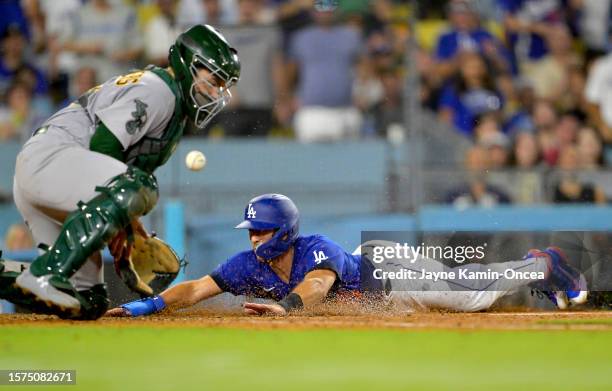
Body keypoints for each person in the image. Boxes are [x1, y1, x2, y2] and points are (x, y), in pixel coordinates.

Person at [0, 24, 241, 320]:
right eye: (214, 79)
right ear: (188, 63)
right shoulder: (158, 89)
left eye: (221, 85)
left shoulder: (174, 115)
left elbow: (112, 184)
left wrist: (126, 230)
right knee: (141, 186)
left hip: (59, 176)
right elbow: (104, 146)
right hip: (51, 160)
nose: (215, 90)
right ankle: (46, 272)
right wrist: (124, 226)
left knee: (87, 301)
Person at [106, 193, 588, 318]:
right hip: (377, 293)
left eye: (261, 230)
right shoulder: (246, 264)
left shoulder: (315, 247)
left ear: (284, 231)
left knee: (470, 298)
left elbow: (315, 286)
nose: (254, 239)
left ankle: (546, 263)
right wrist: (147, 305)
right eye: (251, 231)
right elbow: (197, 288)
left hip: (388, 273)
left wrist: (287, 306)